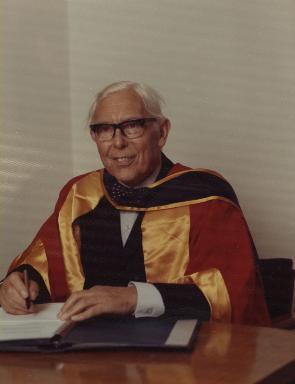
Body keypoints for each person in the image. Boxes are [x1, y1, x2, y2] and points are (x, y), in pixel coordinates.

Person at [0, 81, 270, 325]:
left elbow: (232, 293)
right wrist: (21, 284)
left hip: (181, 364)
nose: (118, 143)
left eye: (132, 126)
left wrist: (134, 298)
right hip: (88, 361)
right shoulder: (80, 195)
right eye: (104, 130)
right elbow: (45, 262)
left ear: (161, 132)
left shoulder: (205, 197)